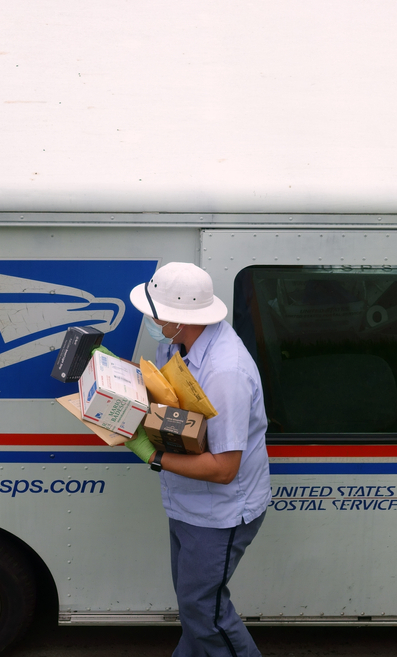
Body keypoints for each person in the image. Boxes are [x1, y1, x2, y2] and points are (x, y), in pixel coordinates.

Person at [125, 261, 271, 657]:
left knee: (205, 613)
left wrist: (151, 455)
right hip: (188, 503)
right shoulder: (175, 344)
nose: (149, 319)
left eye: (153, 312)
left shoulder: (226, 371)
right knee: (194, 610)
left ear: (175, 317)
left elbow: (223, 470)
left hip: (218, 514)